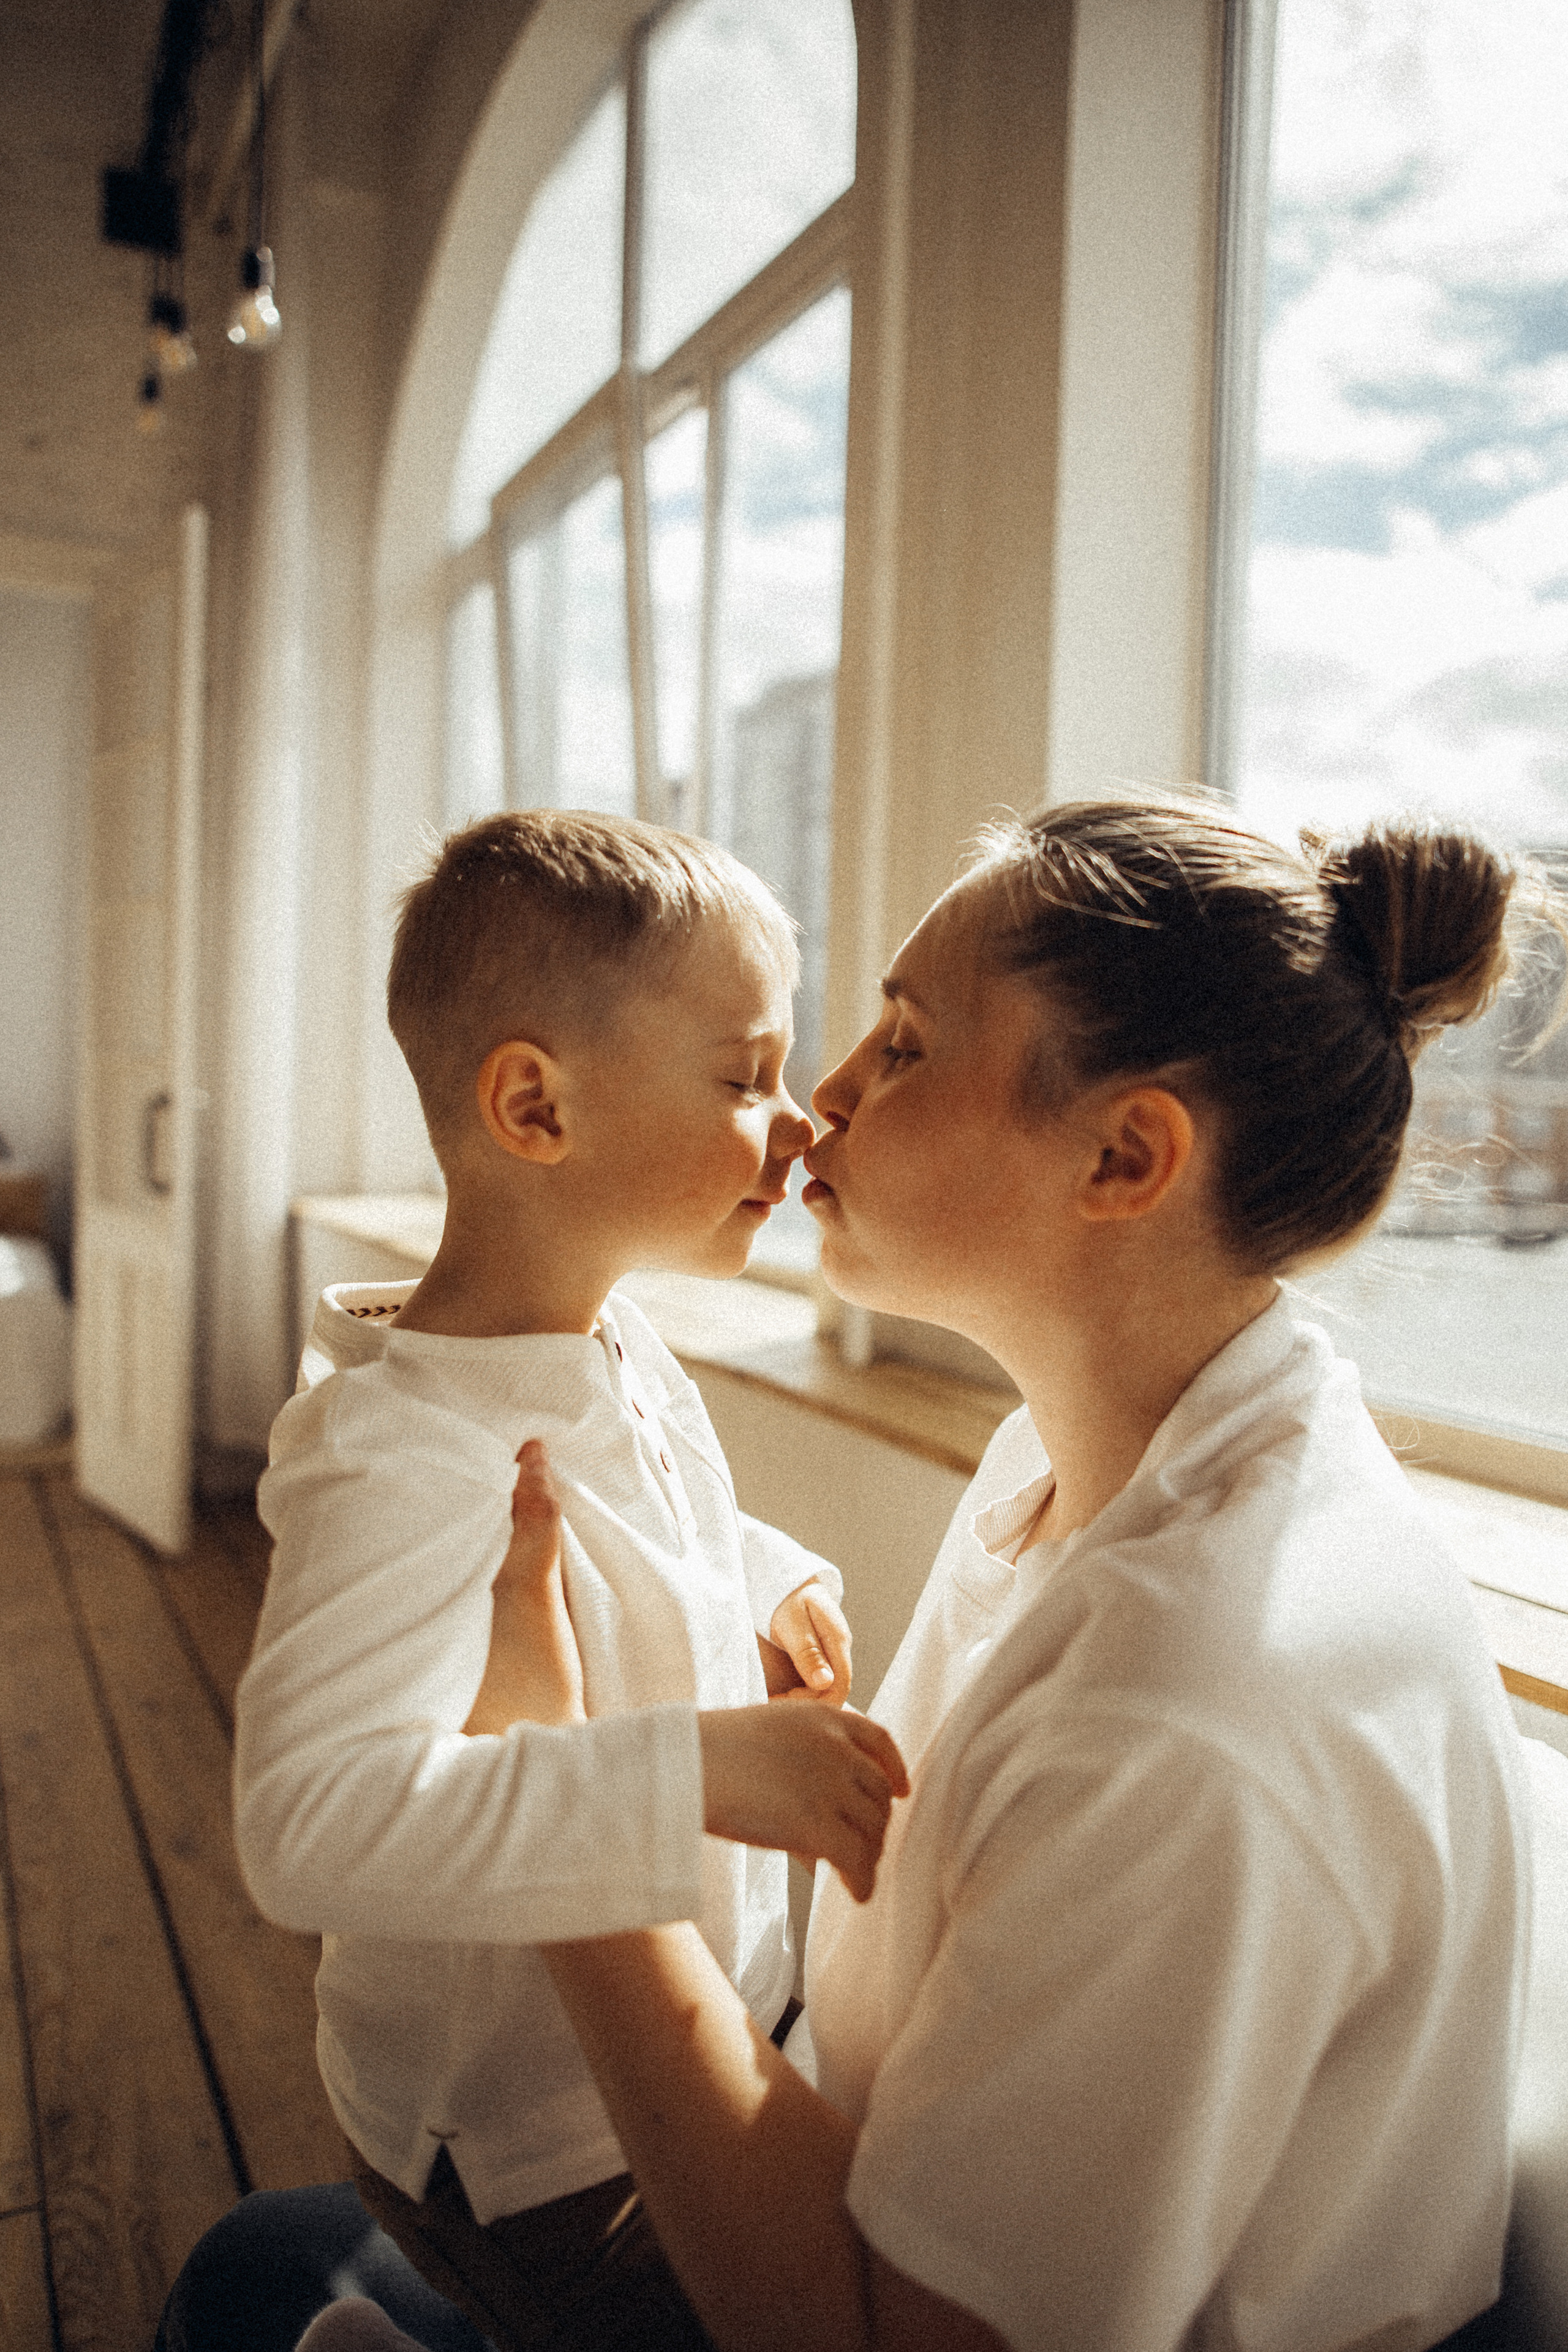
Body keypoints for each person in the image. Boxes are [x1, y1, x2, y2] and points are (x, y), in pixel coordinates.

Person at [484, 801, 1564, 2351]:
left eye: (904, 1045)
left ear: (1124, 1155)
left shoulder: (1186, 1709)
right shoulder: (1103, 1446)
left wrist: (565, 1817)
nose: (821, 1102)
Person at [230, 810, 903, 2352]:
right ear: (535, 1107)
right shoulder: (396, 1457)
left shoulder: (615, 1337)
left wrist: (767, 1575)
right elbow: (306, 1826)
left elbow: (659, 1525)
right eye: (744, 1077)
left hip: (670, 2058)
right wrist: (698, 1771)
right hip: (523, 2151)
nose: (795, 1122)